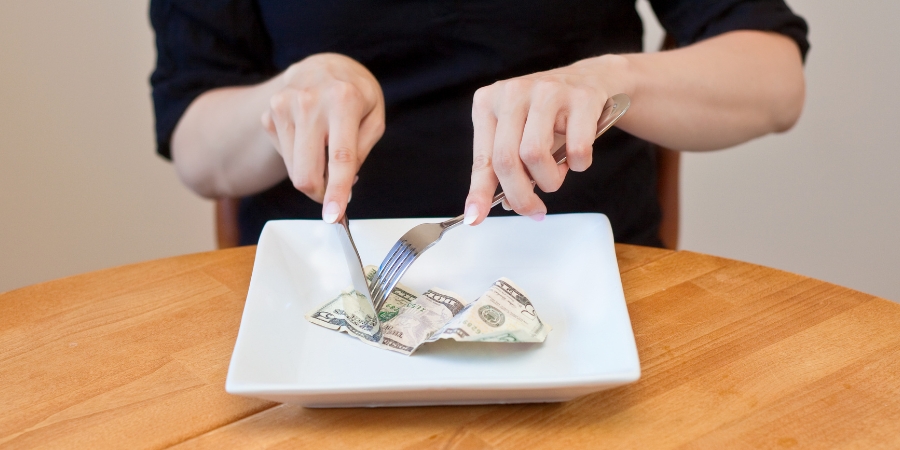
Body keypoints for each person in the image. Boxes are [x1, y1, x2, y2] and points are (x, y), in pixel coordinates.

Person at [150, 0, 808, 247]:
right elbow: (194, 142)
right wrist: (285, 99)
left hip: (587, 292)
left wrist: (615, 78)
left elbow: (776, 80)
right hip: (324, 312)